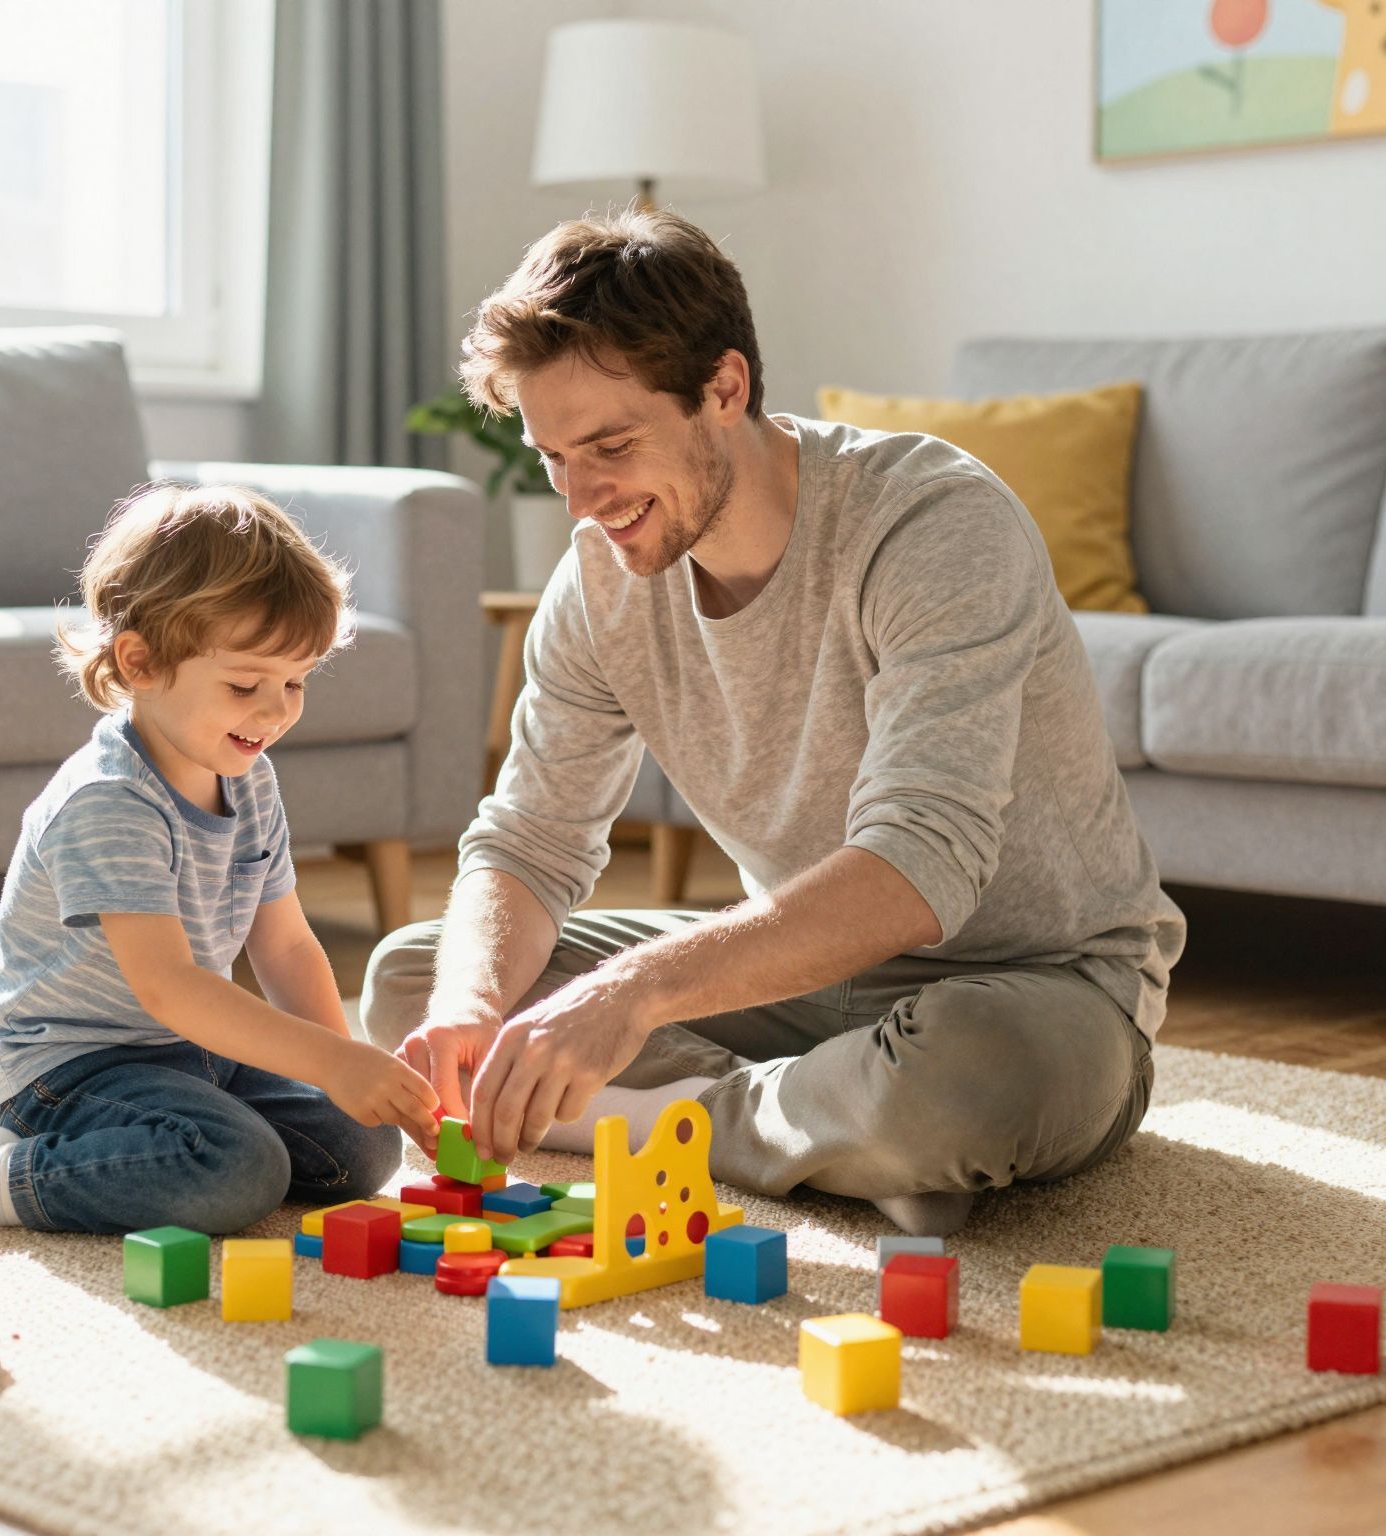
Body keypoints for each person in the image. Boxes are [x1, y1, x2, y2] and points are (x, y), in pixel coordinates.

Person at [363, 209, 1186, 1236]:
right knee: (416, 985)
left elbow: (920, 865)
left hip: (1031, 985)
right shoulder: (601, 581)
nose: (579, 499)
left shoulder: (931, 524)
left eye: (610, 446)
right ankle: (827, 1128)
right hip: (797, 976)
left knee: (953, 1081)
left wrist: (625, 1001)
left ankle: (715, 1118)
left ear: (724, 389)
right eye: (551, 457)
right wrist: (471, 1011)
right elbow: (528, 840)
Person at [0, 484, 439, 1238]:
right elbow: (171, 988)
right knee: (239, 1170)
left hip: (190, 1051)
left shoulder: (250, 778)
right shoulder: (110, 800)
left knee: (364, 1146)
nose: (276, 713)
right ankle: (7, 1175)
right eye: (246, 684)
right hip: (70, 1068)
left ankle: (162, 1141)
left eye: (295, 683)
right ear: (140, 663)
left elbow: (284, 943)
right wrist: (332, 1065)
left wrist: (347, 1065)